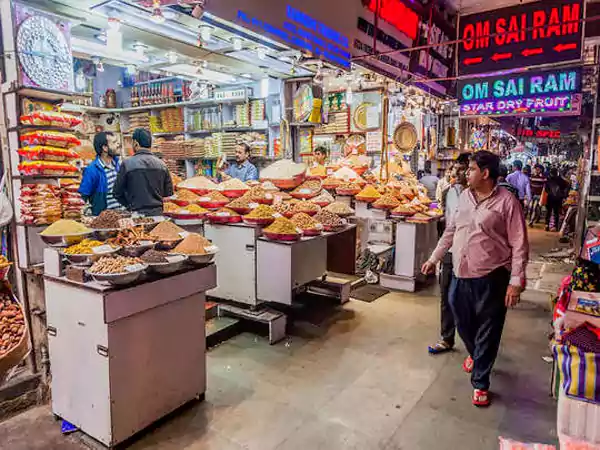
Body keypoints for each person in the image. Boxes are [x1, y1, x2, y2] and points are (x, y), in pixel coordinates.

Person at [422, 151, 529, 407]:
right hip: (461, 273)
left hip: (492, 277)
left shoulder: (507, 202)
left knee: (488, 330)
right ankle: (476, 354)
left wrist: (516, 281)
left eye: (470, 169)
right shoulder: (464, 198)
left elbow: (519, 242)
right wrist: (434, 258)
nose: (465, 173)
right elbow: (451, 231)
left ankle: (480, 383)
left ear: (485, 173)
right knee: (462, 323)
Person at [428, 159, 468, 355]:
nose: (457, 173)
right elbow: (449, 226)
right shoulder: (448, 192)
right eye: (455, 169)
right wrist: (435, 257)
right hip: (450, 252)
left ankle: (474, 347)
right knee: (446, 296)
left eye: (463, 169)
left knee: (467, 300)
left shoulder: (479, 197)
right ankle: (446, 338)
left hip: (471, 256)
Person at [114, 128, 173, 216]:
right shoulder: (162, 165)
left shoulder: (127, 164)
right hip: (159, 214)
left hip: (136, 215)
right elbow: (168, 194)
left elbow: (117, 192)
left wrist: (129, 205)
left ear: (135, 143)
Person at [79, 132, 121, 216]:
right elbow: (82, 196)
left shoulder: (117, 164)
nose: (118, 145)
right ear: (105, 148)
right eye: (114, 142)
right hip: (106, 221)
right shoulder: (92, 170)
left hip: (122, 216)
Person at [544, 167, 570, 232]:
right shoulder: (561, 180)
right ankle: (555, 226)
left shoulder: (548, 179)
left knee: (548, 212)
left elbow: (546, 189)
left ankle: (547, 225)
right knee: (556, 212)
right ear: (557, 173)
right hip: (558, 199)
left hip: (550, 198)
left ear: (550, 173)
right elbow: (566, 186)